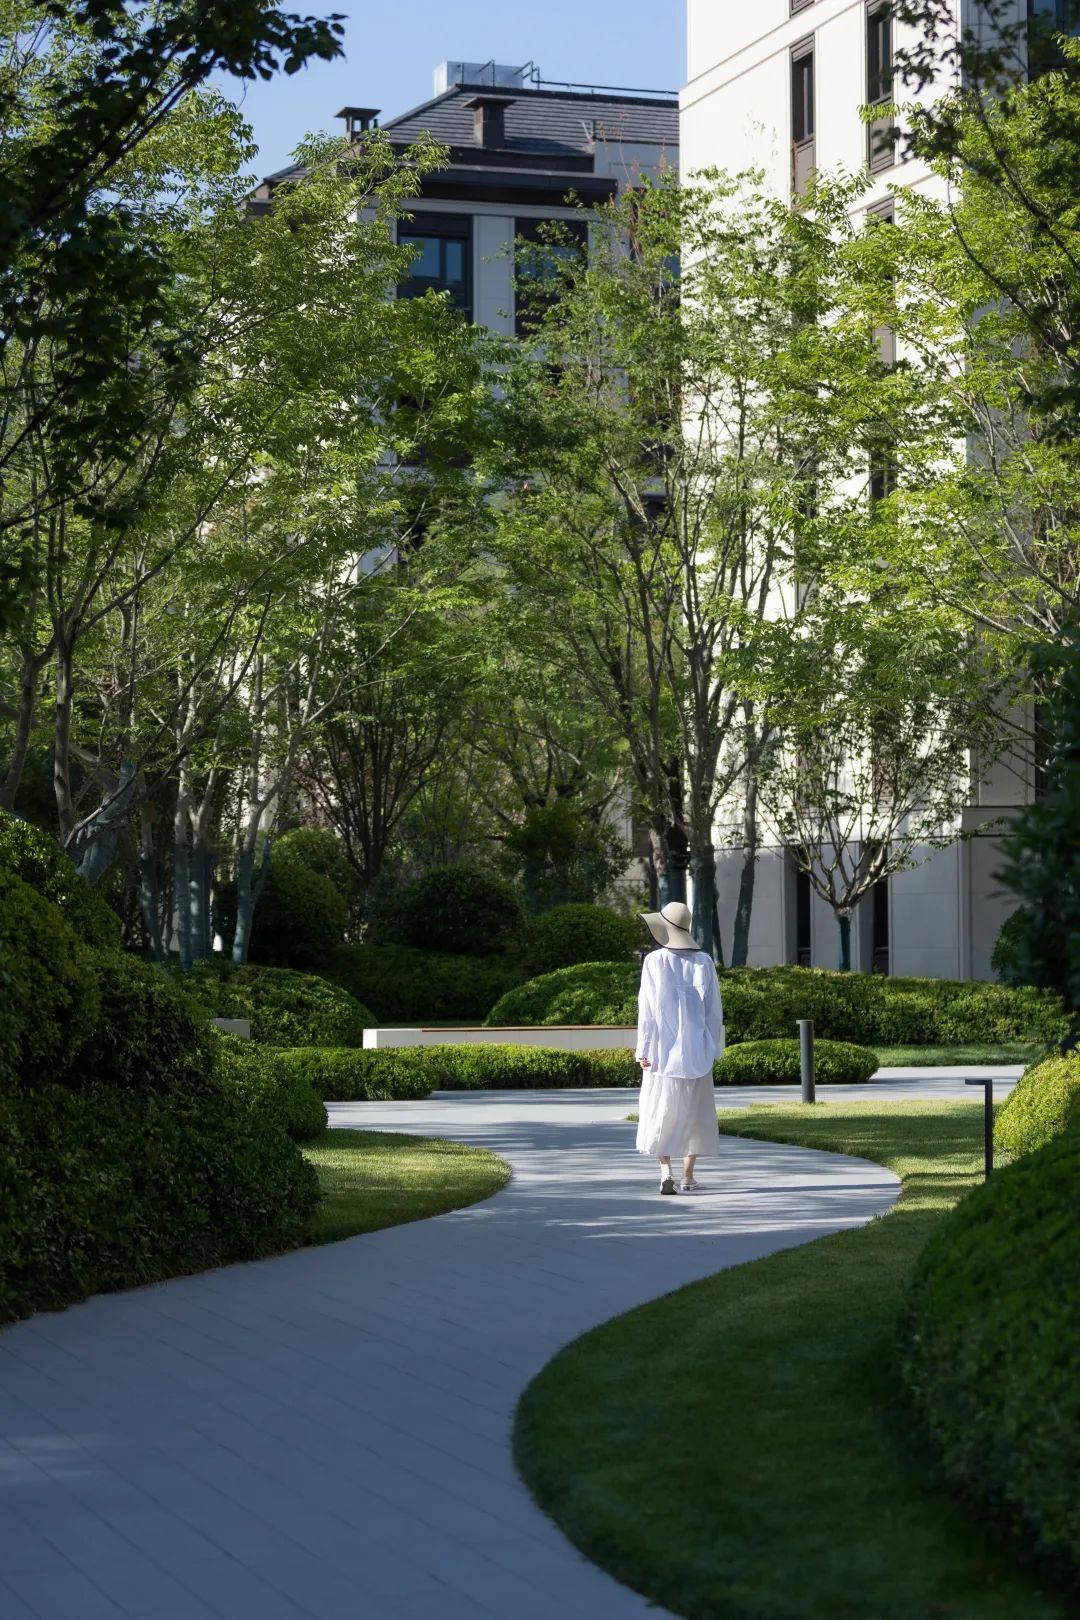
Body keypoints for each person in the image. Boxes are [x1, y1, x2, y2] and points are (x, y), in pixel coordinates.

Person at [635, 900, 723, 1196]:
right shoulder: (705, 962)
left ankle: (665, 1172)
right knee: (694, 1114)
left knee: (662, 1111)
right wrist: (713, 1049)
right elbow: (714, 1012)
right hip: (697, 1051)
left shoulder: (655, 961)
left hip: (662, 1052)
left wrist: (643, 1049)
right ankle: (688, 1175)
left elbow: (647, 1011)